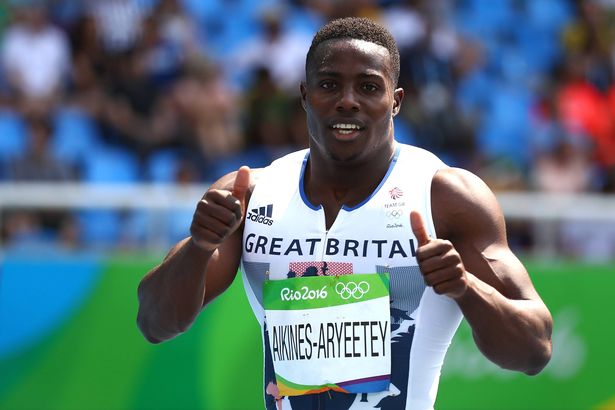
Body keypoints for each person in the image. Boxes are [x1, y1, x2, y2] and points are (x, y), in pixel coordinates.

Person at [137, 17, 553, 410]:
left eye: (369, 87)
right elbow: (155, 324)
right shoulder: (249, 195)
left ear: (396, 101)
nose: (347, 102)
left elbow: (534, 349)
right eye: (329, 85)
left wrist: (464, 287)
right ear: (304, 95)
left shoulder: (444, 196)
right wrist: (198, 246)